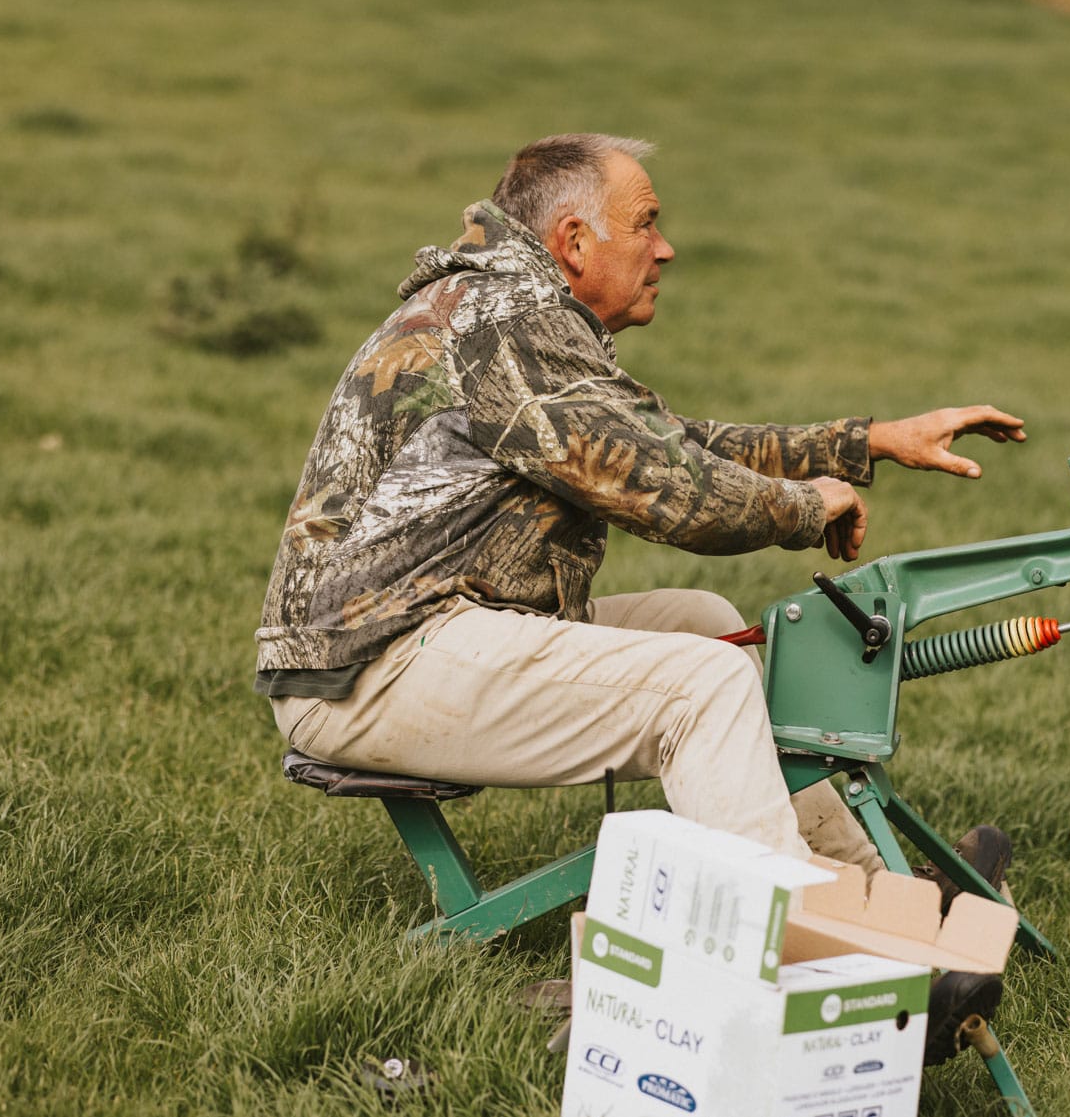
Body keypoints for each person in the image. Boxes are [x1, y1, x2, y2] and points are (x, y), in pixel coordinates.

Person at [256, 133, 1027, 880]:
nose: (665, 248)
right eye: (646, 223)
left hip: (417, 633)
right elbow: (674, 494)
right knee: (704, 684)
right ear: (575, 241)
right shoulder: (508, 325)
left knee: (707, 627)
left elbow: (669, 444)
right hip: (368, 668)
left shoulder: (513, 307)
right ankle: (814, 948)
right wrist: (802, 508)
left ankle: (872, 893)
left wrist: (870, 441)